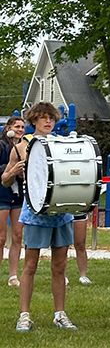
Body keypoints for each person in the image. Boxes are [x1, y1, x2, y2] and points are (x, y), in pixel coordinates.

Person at [15, 102, 76, 332]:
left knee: (59, 266)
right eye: (43, 118)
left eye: (51, 118)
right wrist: (16, 169)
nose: (48, 122)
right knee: (30, 265)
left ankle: (59, 314)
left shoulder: (61, 143)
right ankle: (24, 315)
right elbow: (10, 173)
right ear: (34, 121)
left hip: (60, 211)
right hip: (35, 212)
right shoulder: (24, 145)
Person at [0, 116, 26, 287]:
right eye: (17, 126)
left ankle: (13, 275)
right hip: (2, 193)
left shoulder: (24, 147)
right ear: (8, 127)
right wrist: (10, 169)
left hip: (17, 195)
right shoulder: (2, 145)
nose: (20, 129)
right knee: (1, 237)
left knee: (17, 236)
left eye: (23, 127)